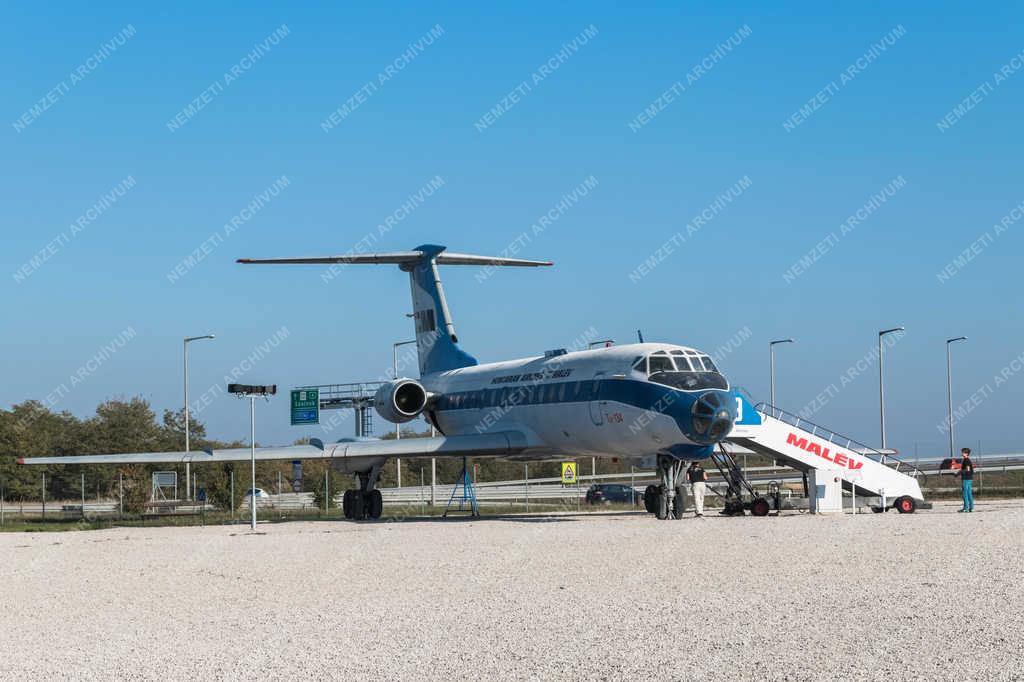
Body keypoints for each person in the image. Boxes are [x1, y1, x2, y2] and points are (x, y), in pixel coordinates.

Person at [958, 447, 975, 513]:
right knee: (969, 493)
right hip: (969, 478)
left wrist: (960, 472)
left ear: (966, 453)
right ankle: (971, 507)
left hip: (966, 478)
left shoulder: (966, 460)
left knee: (965, 493)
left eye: (963, 452)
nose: (962, 453)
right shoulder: (967, 460)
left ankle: (966, 508)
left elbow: (967, 469)